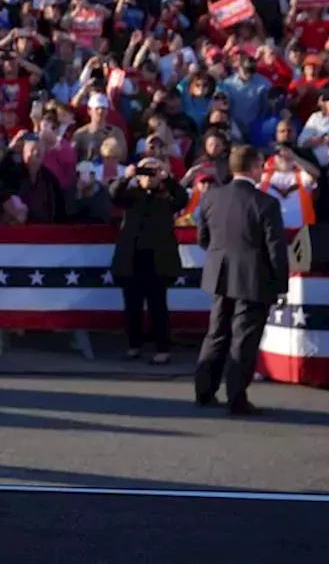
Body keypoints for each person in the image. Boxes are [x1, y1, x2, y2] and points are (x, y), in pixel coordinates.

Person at [194, 144, 290, 415]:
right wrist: (280, 286)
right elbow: (276, 250)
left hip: (219, 275)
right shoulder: (266, 203)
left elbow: (202, 238)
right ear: (252, 167)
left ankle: (204, 390)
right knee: (244, 339)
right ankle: (236, 397)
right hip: (253, 277)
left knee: (216, 332)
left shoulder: (211, 197)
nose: (264, 169)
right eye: (261, 164)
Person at [108, 157, 188, 365]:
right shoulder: (131, 196)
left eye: (153, 172)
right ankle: (134, 345)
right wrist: (127, 177)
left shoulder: (166, 198)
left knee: (158, 306)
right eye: (146, 172)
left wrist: (167, 179)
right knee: (132, 306)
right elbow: (113, 195)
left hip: (158, 260)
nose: (149, 177)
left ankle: (162, 348)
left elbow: (182, 200)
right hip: (132, 258)